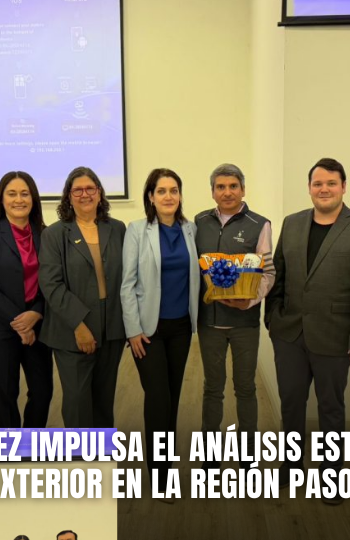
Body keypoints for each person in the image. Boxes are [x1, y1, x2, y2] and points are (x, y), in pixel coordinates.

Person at [265, 157, 350, 502]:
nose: (324, 189)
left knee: (331, 406)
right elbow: (278, 273)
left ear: (343, 187)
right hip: (289, 333)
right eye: (318, 183)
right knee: (291, 403)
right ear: (309, 188)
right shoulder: (293, 223)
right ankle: (291, 465)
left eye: (331, 183)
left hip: (336, 335)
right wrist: (272, 318)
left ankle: (331, 474)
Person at [121, 168, 199, 501]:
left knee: (173, 397)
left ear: (180, 195)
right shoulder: (137, 230)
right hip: (148, 331)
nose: (169, 196)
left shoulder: (190, 229)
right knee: (158, 399)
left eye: (174, 190)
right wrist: (133, 330)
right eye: (162, 191)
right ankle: (160, 476)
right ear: (151, 197)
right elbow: (127, 284)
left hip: (181, 327)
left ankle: (166, 465)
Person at [194, 163, 275, 468]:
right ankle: (210, 456)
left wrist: (250, 301)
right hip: (210, 323)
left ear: (243, 189)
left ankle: (248, 455)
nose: (227, 192)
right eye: (220, 187)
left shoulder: (260, 224)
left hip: (245, 323)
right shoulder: (199, 222)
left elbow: (268, 272)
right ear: (212, 191)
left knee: (246, 388)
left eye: (233, 186)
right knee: (212, 388)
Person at [39, 166, 126, 428]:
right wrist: (78, 325)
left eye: (90, 188)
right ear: (68, 196)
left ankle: (103, 452)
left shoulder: (118, 229)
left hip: (111, 329)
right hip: (72, 331)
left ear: (99, 193)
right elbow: (51, 284)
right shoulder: (54, 234)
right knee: (77, 401)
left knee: (104, 400)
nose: (85, 194)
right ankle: (81, 454)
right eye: (78, 190)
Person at [0, 172, 54, 428]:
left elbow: (54, 280)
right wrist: (20, 323)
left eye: (24, 193)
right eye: (12, 194)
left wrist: (36, 313)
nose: (19, 199)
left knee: (42, 391)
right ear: (1, 199)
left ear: (33, 198)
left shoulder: (47, 235)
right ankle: (9, 447)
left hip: (39, 324)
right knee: (5, 394)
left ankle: (31, 442)